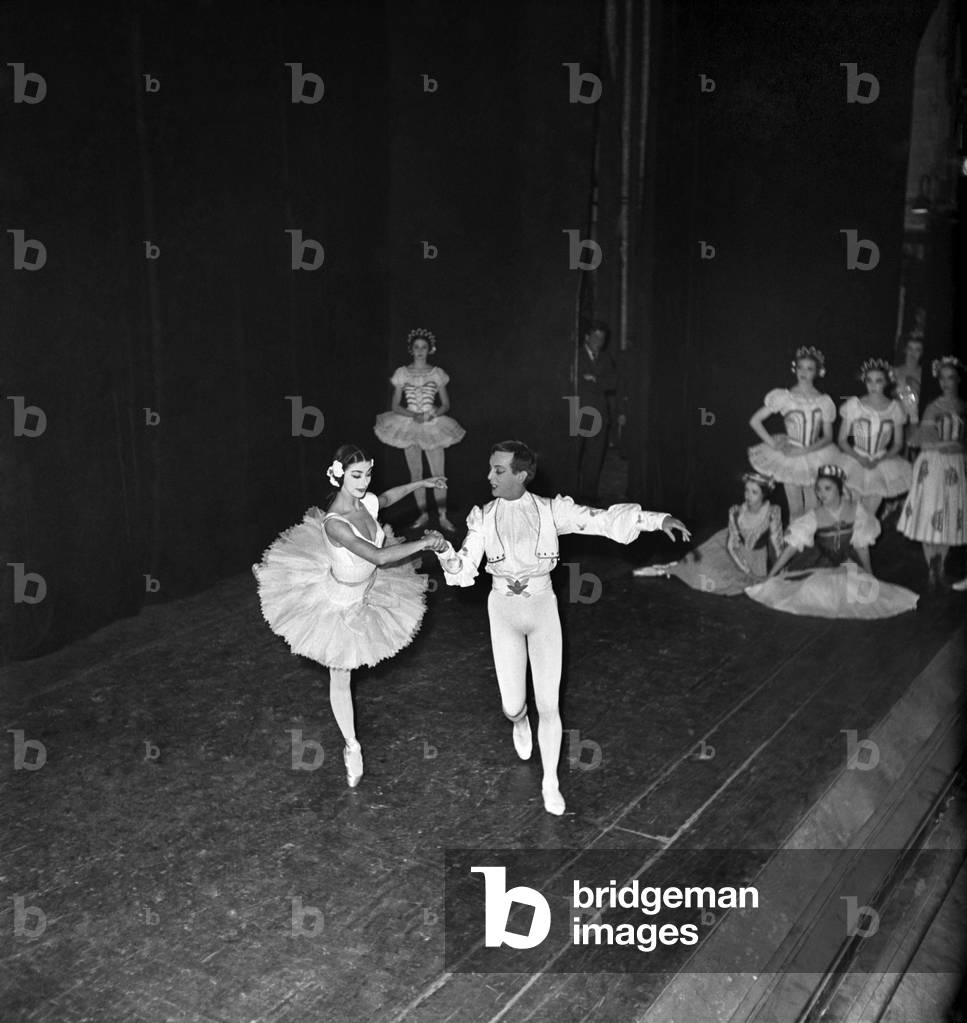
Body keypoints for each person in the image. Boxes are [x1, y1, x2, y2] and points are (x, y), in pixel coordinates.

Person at [434, 440, 689, 815]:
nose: (489, 476)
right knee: (512, 705)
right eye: (490, 469)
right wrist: (444, 552)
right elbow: (463, 570)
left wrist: (657, 519)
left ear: (521, 474)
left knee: (550, 705)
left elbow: (602, 520)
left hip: (542, 609)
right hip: (503, 611)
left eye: (499, 471)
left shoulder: (553, 511)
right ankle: (519, 722)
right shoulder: (484, 517)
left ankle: (549, 781)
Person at [253, 444, 449, 787]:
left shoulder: (366, 502)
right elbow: (380, 556)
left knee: (352, 667)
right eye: (356, 475)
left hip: (369, 590)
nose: (364, 482)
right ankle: (351, 745)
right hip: (339, 603)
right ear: (340, 475)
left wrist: (421, 483)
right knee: (340, 676)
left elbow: (385, 499)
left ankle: (351, 742)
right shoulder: (335, 524)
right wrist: (423, 544)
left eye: (367, 474)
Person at [745, 465, 918, 618]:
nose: (821, 494)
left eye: (827, 488)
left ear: (840, 489)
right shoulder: (815, 515)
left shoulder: (856, 510)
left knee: (861, 595)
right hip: (821, 561)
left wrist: (870, 574)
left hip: (847, 562)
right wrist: (771, 575)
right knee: (815, 592)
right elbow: (791, 548)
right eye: (818, 489)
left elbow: (862, 546)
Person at [374, 328, 465, 531]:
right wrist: (413, 415)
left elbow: (445, 404)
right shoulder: (402, 373)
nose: (420, 351)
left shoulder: (436, 373)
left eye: (424, 347)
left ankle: (442, 515)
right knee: (416, 474)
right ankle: (423, 514)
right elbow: (396, 405)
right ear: (411, 349)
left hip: (432, 426)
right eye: (416, 347)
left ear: (429, 349)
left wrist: (432, 413)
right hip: (409, 425)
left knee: (438, 472)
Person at [632, 471, 783, 594]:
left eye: (754, 492)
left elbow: (776, 546)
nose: (748, 496)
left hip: (758, 558)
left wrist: (773, 573)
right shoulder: (736, 512)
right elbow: (731, 546)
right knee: (703, 569)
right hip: (732, 551)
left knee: (728, 581)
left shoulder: (772, 513)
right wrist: (746, 570)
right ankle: (669, 568)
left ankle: (674, 568)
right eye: (746, 490)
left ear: (764, 495)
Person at [899, 356, 967, 593]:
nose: (946, 382)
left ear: (958, 379)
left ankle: (941, 567)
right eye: (942, 378)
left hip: (957, 467)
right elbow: (924, 443)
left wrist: (959, 448)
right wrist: (948, 446)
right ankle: (931, 568)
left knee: (950, 515)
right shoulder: (933, 407)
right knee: (930, 513)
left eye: (951, 377)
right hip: (934, 466)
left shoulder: (963, 406)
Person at [748, 346, 839, 520]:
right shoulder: (784, 397)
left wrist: (804, 451)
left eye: (809, 368)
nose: (803, 372)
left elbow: (828, 437)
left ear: (818, 372)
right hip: (790, 457)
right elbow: (755, 421)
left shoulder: (824, 401)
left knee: (814, 505)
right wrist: (773, 444)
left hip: (815, 455)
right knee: (795, 507)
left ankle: (809, 542)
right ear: (795, 369)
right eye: (800, 367)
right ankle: (795, 544)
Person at [835, 358, 911, 516]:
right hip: (855, 462)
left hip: (881, 464)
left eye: (878, 381)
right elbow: (842, 440)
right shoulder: (854, 405)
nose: (873, 385)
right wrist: (858, 457)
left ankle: (864, 539)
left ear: (886, 382)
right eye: (869, 380)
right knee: (850, 512)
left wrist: (879, 459)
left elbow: (898, 444)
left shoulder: (895, 408)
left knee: (869, 515)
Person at [575, 321, 618, 503]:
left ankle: (588, 496)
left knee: (595, 455)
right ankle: (572, 495)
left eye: (602, 338)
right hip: (579, 411)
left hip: (598, 413)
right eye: (596, 337)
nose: (599, 341)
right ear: (587, 337)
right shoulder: (576, 355)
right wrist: (596, 382)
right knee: (577, 453)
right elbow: (575, 381)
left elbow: (613, 383)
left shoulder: (606, 358)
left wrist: (594, 379)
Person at [893, 331, 925, 458]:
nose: (913, 353)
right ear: (905, 350)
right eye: (910, 348)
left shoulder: (924, 374)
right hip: (897, 419)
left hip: (916, 420)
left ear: (922, 353)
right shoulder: (895, 372)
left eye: (917, 350)